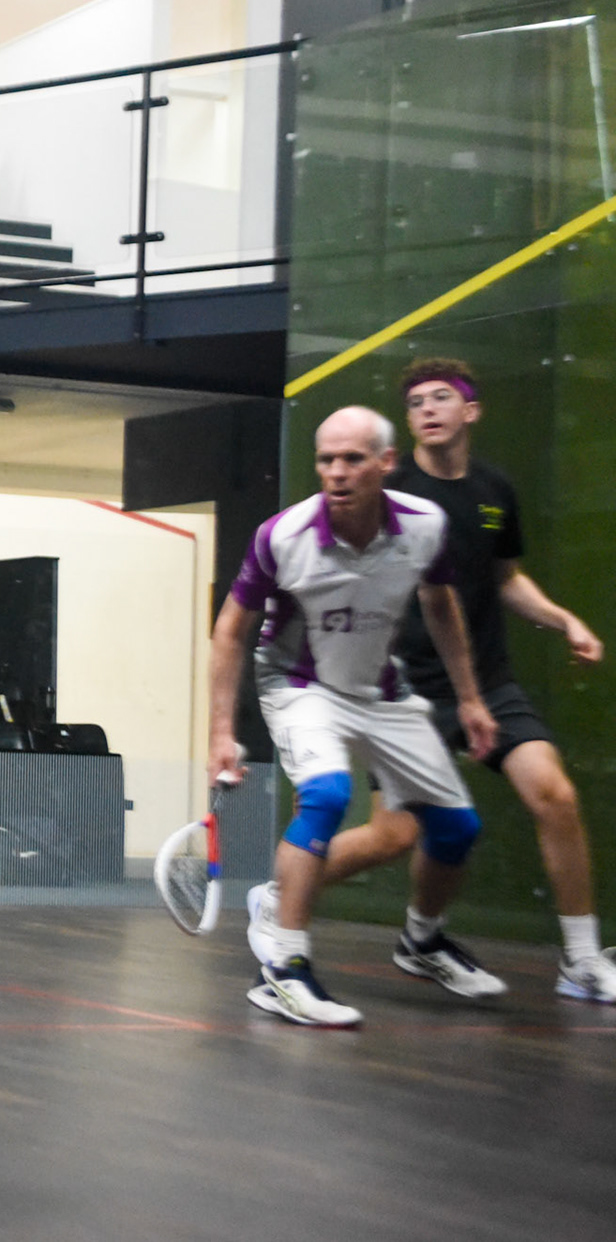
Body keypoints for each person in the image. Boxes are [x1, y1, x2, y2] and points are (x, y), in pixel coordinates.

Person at [254, 360, 616, 1001]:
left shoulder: (493, 490)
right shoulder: (384, 489)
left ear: (470, 411)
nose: (427, 409)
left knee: (555, 794)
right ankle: (283, 898)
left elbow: (505, 579)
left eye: (441, 397)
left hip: (485, 680)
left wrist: (564, 621)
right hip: (403, 687)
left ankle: (582, 961)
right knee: (394, 836)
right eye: (416, 401)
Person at [209, 405, 497, 1028]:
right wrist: (221, 734)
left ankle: (422, 941)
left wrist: (471, 698)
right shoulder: (283, 536)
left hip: (380, 689)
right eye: (326, 460)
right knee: (327, 795)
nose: (336, 472)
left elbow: (441, 605)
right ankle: (283, 970)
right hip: (299, 684)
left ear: (386, 462)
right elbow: (230, 630)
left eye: (352, 459)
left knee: (456, 828)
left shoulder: (425, 525)